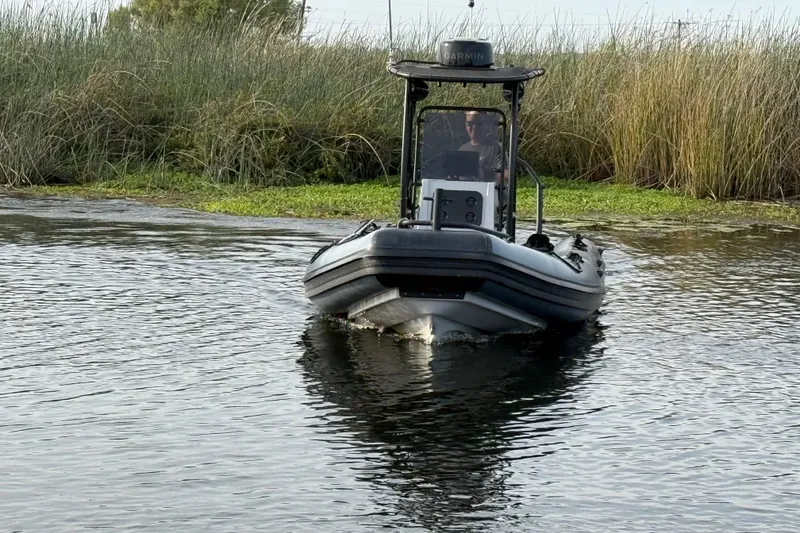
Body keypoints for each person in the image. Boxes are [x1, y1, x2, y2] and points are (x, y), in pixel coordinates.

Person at [458, 111, 508, 183]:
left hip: (487, 192)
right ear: (466, 126)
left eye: (478, 124)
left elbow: (503, 173)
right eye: (470, 124)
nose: (474, 127)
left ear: (484, 125)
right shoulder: (462, 150)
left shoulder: (495, 148)